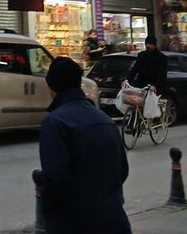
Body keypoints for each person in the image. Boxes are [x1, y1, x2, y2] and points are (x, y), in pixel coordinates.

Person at [39, 57, 131, 234]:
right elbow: (122, 170)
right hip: (114, 221)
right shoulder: (106, 121)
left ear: (52, 87)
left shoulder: (56, 123)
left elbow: (55, 180)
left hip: (75, 223)